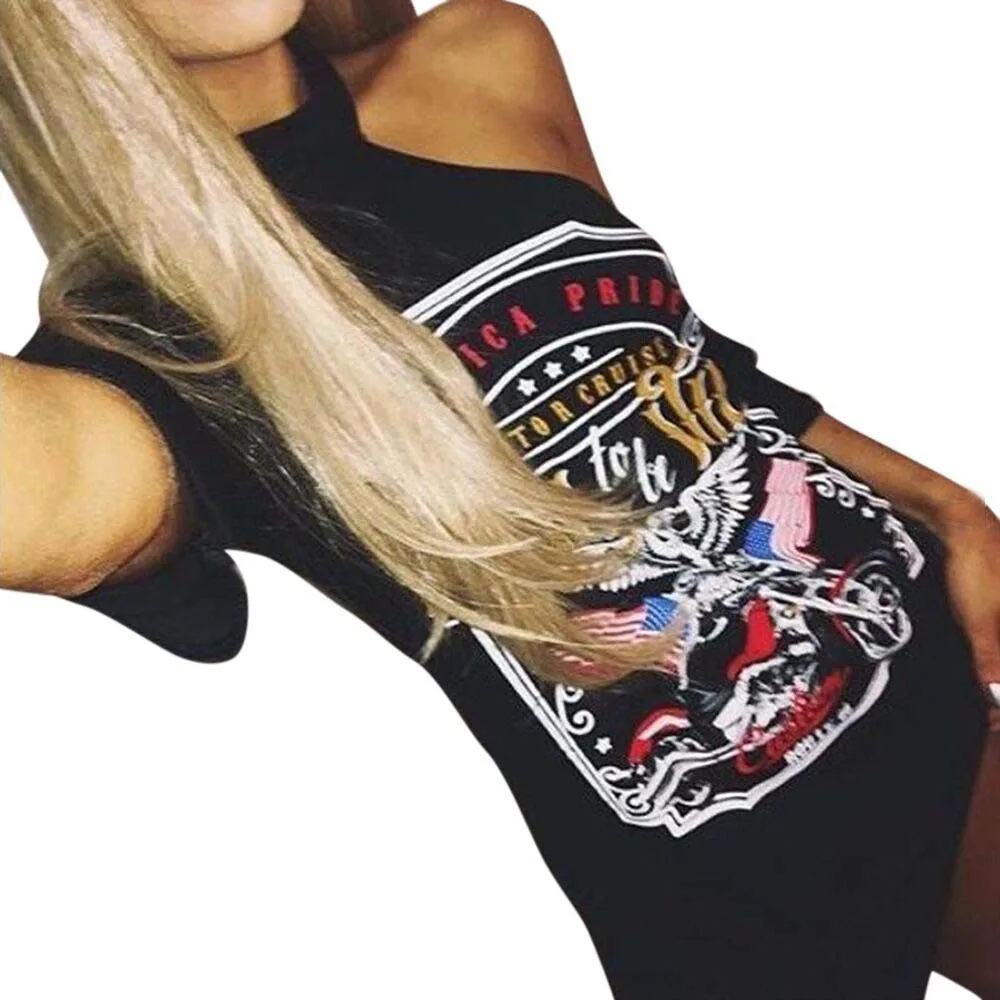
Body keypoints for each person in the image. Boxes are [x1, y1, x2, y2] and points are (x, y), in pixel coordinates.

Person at [1, 1, 997, 996]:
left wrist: (947, 505)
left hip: (922, 681)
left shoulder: (486, 54)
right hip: (742, 890)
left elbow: (683, 358)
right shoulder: (139, 346)